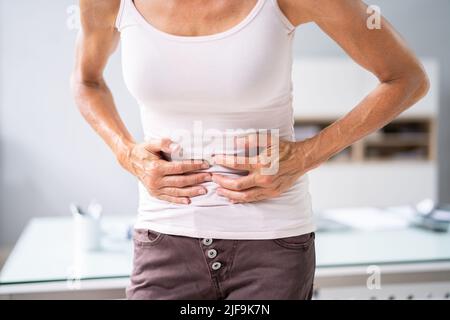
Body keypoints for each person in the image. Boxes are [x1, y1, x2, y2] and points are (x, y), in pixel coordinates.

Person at [72, 0, 429, 299]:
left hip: (271, 249)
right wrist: (125, 152)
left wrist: (305, 156)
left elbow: (406, 78)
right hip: (164, 239)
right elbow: (86, 81)